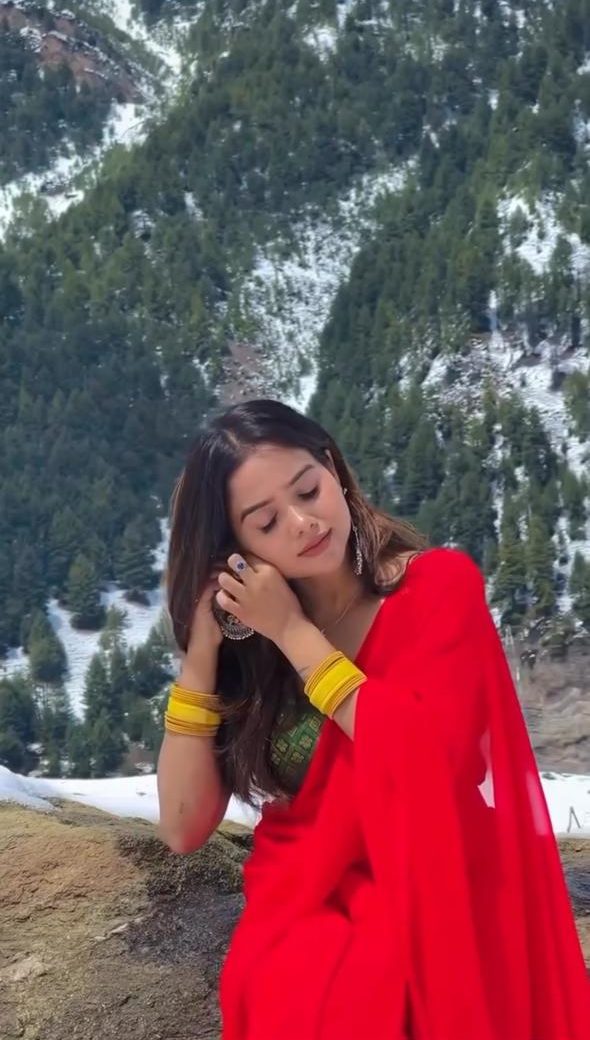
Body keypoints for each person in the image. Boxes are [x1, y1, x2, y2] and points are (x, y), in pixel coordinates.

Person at [157, 398, 590, 1040]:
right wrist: (202, 653)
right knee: (298, 985)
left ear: (333, 468)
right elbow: (182, 828)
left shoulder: (437, 588)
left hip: (443, 878)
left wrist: (296, 635)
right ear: (237, 548)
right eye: (267, 522)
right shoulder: (253, 644)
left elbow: (431, 762)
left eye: (309, 490)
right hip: (304, 898)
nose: (303, 523)